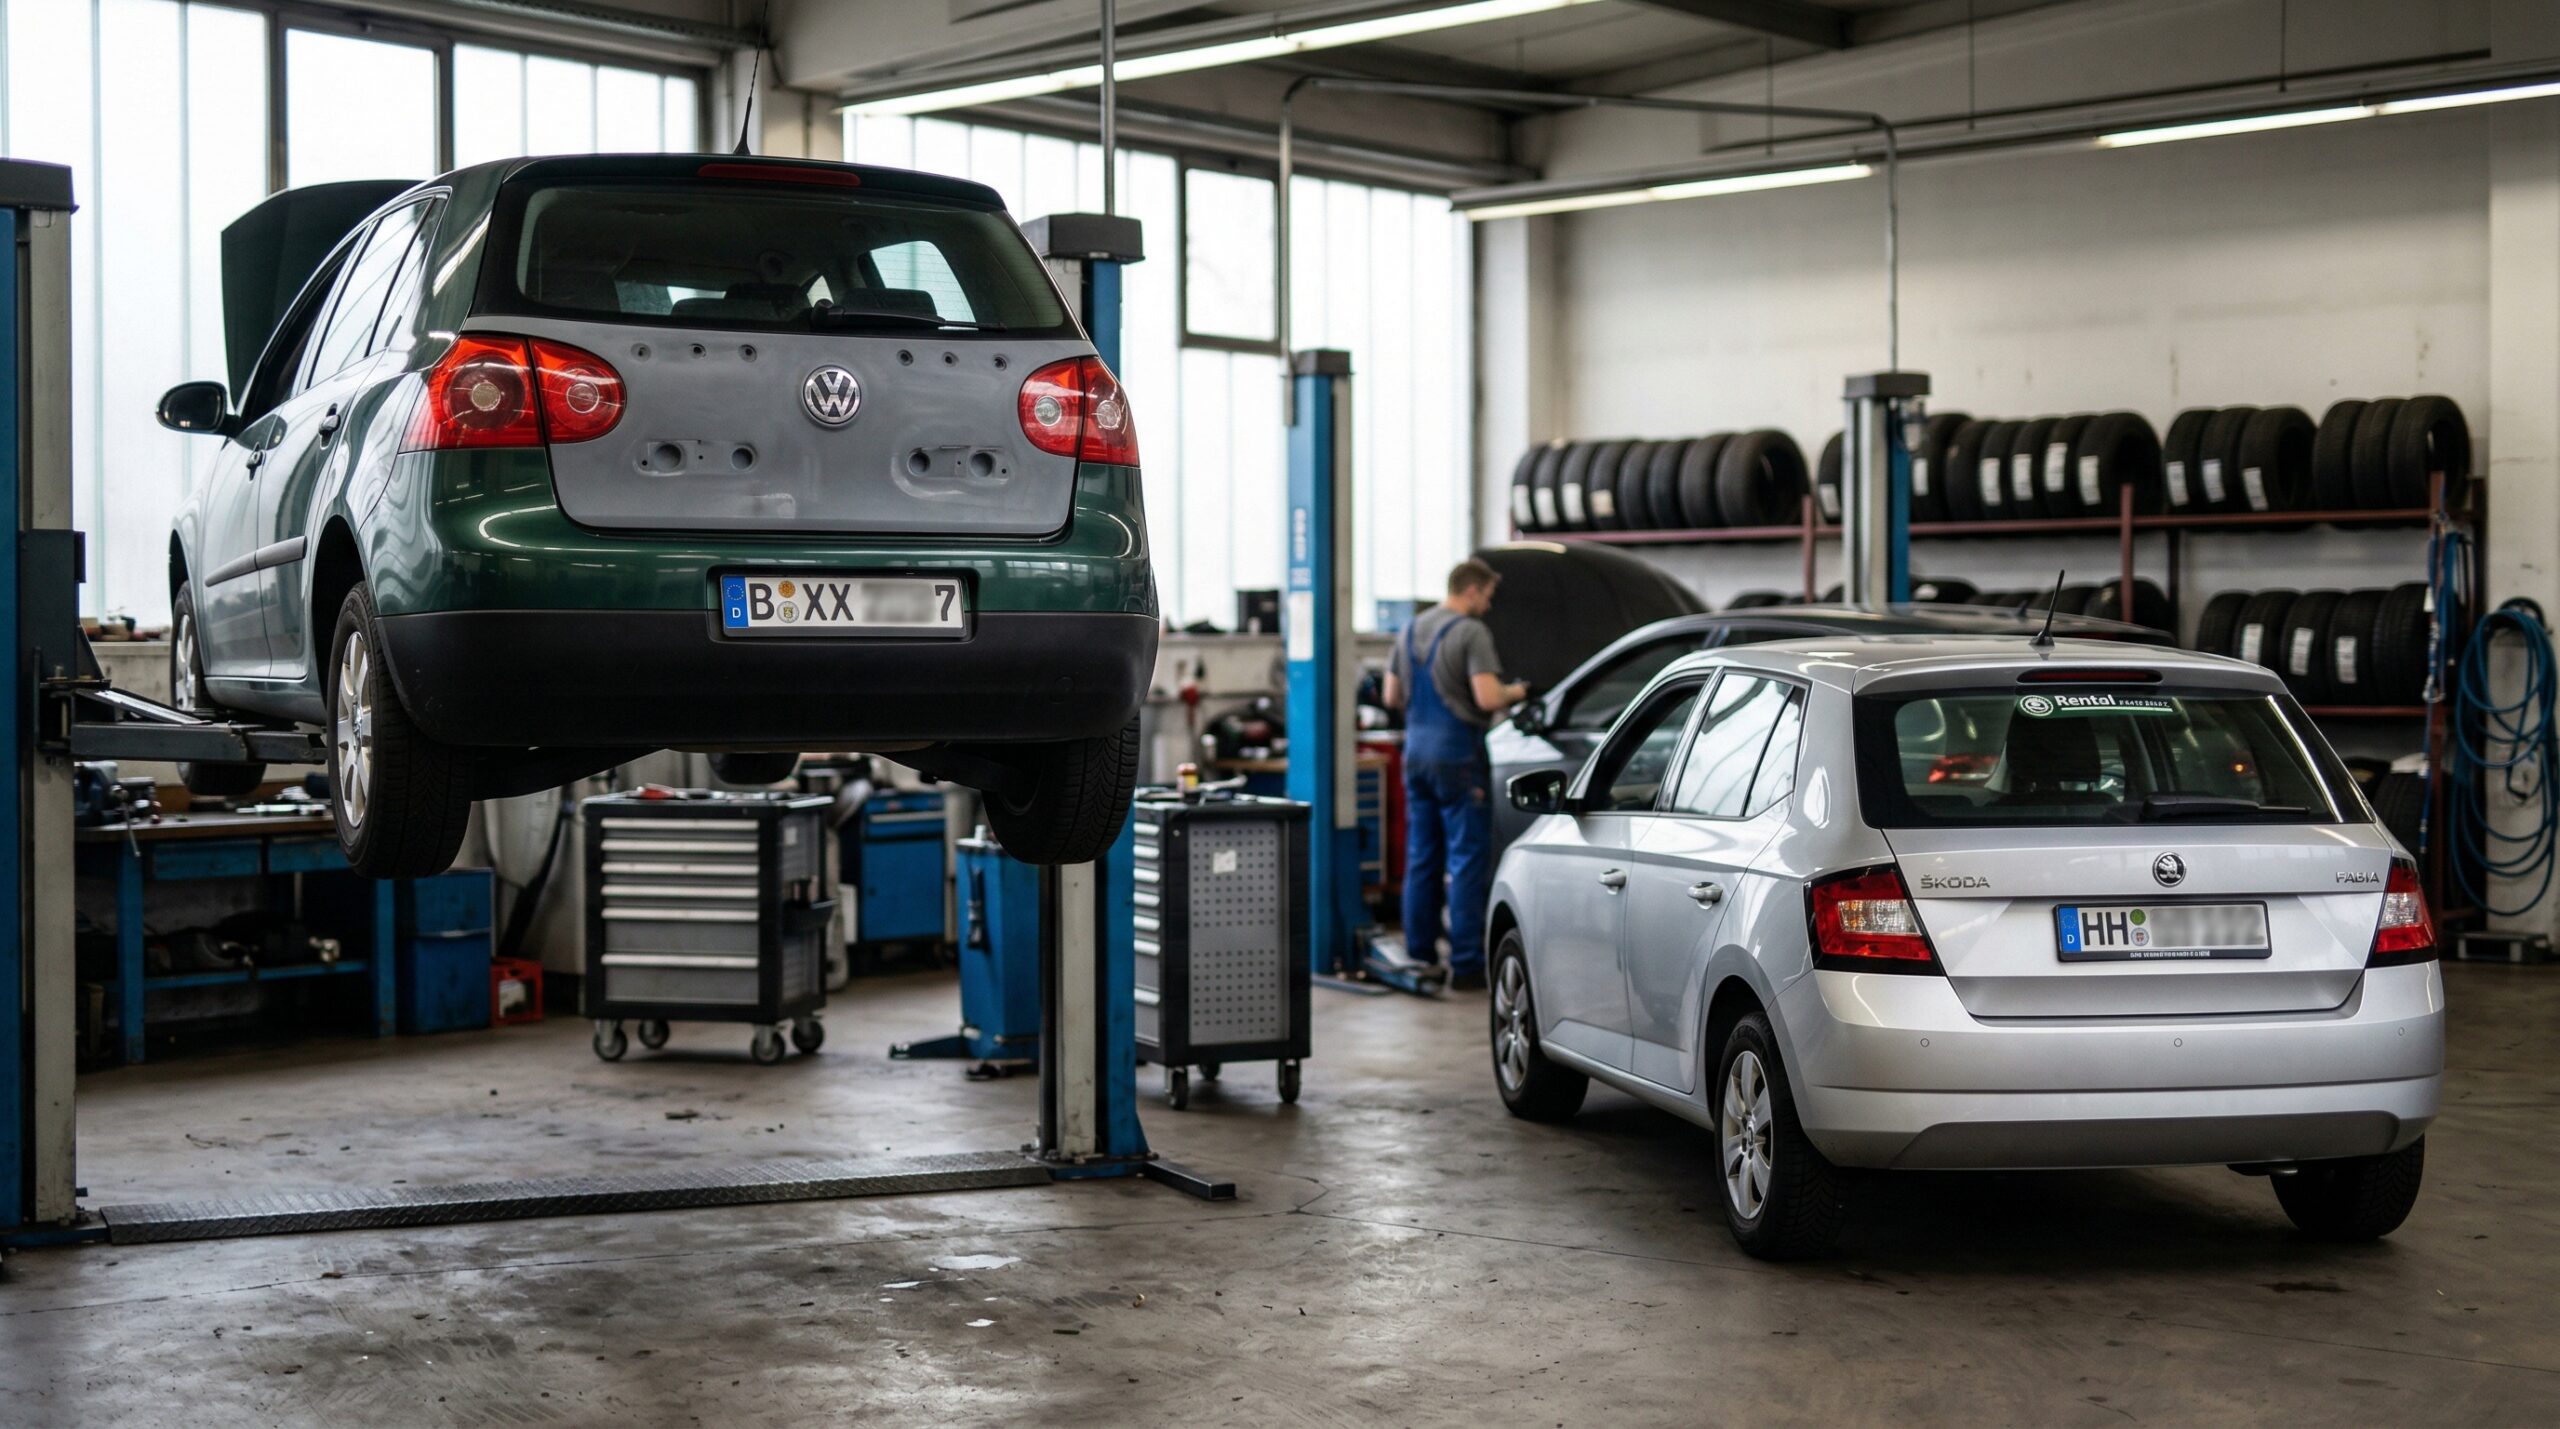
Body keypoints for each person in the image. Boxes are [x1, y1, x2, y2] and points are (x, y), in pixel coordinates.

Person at [1383, 559, 1529, 991]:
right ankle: (1466, 965)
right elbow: (1487, 697)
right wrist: (1518, 692)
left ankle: (1419, 956)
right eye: (1486, 596)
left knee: (1422, 857)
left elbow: (1392, 694)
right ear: (1471, 591)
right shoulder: (1471, 632)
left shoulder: (1410, 629)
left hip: (1416, 754)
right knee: (1466, 860)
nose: (1487, 605)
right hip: (1458, 755)